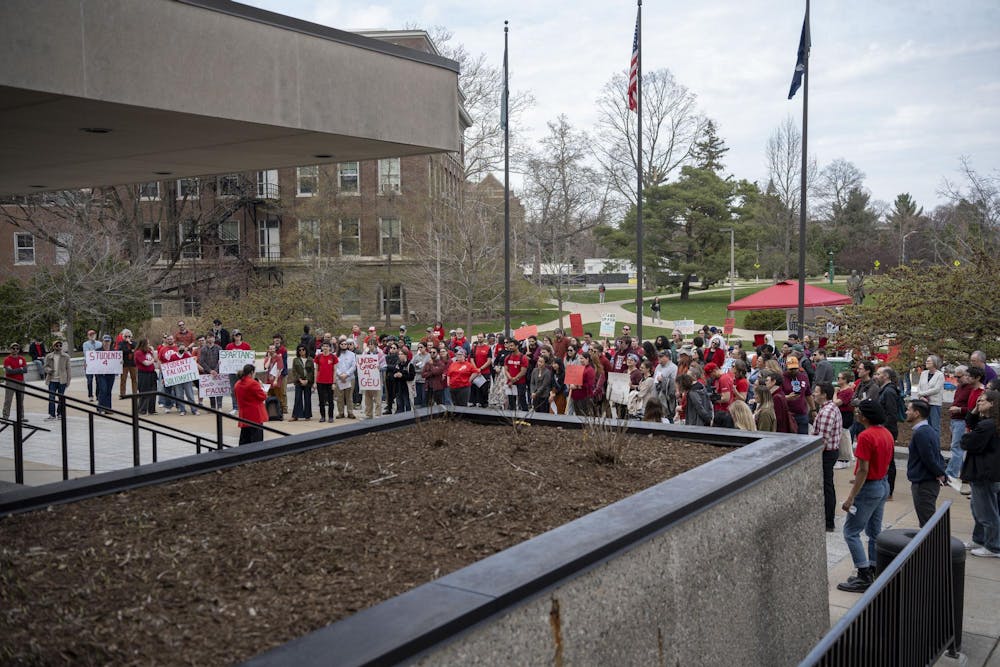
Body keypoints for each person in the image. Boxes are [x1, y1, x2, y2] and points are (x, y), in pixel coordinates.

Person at [837, 400, 894, 593]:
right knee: (874, 531)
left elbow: (863, 469)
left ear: (865, 417)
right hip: (882, 484)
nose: (856, 414)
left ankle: (863, 574)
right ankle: (873, 565)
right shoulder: (886, 433)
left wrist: (851, 497)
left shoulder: (865, 436)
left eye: (859, 411)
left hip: (869, 488)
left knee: (851, 532)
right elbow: (884, 464)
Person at [959, 390, 1000, 558]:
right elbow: (971, 423)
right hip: (987, 472)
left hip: (984, 472)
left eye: (982, 401)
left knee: (986, 511)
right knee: (978, 508)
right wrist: (975, 411)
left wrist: (967, 438)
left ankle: (993, 546)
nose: (978, 403)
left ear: (992, 404)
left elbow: (967, 442)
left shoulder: (988, 425)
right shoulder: (990, 423)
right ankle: (979, 539)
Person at [904, 399, 947, 527]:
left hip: (924, 484)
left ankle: (934, 546)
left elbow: (929, 458)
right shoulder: (928, 430)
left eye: (909, 409)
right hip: (926, 482)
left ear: (916, 413)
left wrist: (941, 474)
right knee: (927, 521)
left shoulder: (922, 433)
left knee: (928, 523)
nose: (906, 412)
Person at [812, 382, 844, 532]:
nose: (814, 393)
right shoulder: (829, 408)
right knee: (827, 486)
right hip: (830, 452)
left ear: (824, 394)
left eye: (816, 391)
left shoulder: (826, 412)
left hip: (826, 454)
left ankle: (828, 521)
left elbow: (822, 440)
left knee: (826, 487)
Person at [946, 366, 973, 481]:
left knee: (956, 447)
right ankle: (963, 473)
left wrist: (960, 410)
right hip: (955, 420)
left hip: (962, 420)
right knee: (957, 447)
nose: (956, 379)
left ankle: (951, 474)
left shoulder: (970, 389)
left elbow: (972, 408)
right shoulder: (960, 387)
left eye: (959, 376)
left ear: (967, 375)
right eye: (955, 376)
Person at [234, 363, 268, 445]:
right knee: (256, 439)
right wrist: (260, 386)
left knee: (245, 438)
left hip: (244, 415)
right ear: (252, 372)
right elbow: (263, 396)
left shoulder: (237, 383)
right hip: (255, 415)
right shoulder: (253, 383)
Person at [832, 371, 856, 469]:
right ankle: (842, 458)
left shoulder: (847, 391)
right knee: (841, 436)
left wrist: (835, 392)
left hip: (845, 415)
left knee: (843, 436)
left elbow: (836, 403)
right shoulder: (842, 390)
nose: (838, 380)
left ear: (845, 380)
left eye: (840, 378)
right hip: (840, 414)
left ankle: (844, 459)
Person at [224, 330, 252, 414]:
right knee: (234, 389)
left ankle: (244, 406)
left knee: (245, 389)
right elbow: (225, 359)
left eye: (239, 335)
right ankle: (235, 407)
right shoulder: (229, 346)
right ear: (233, 336)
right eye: (236, 335)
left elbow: (250, 358)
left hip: (243, 372)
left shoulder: (246, 346)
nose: (237, 336)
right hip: (232, 372)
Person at [43, 340, 72, 420]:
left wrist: (68, 380)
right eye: (56, 345)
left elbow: (68, 369)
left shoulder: (66, 356)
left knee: (61, 398)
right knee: (51, 397)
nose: (58, 347)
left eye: (60, 345)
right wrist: (49, 370)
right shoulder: (49, 356)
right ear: (53, 346)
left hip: (62, 380)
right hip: (52, 380)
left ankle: (60, 414)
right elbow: (45, 367)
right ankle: (52, 415)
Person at [917, 354, 945, 435]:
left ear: (934, 363)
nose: (926, 362)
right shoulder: (923, 373)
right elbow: (919, 387)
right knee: (925, 426)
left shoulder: (940, 375)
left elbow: (936, 389)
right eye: (926, 361)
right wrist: (921, 396)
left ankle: (935, 445)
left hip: (934, 404)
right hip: (923, 403)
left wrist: (922, 394)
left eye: (929, 361)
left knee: (934, 426)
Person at [3, 342, 29, 422]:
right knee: (8, 400)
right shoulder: (7, 359)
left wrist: (16, 370)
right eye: (13, 348)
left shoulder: (22, 358)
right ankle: (5, 417)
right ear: (10, 349)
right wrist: (20, 369)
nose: (15, 350)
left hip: (20, 381)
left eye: (17, 348)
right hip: (10, 382)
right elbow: (9, 372)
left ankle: (21, 417)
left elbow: (25, 370)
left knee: (20, 400)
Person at [134, 338, 158, 415]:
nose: (149, 345)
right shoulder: (138, 352)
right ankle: (142, 409)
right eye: (147, 343)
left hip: (152, 373)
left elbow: (156, 359)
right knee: (144, 391)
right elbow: (146, 363)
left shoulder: (149, 352)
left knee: (153, 391)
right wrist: (153, 360)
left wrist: (153, 351)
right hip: (143, 374)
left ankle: (151, 409)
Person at [314, 341, 337, 423]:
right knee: (321, 400)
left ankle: (330, 416)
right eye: (324, 346)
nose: (325, 348)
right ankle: (322, 416)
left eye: (327, 346)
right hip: (320, 381)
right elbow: (316, 369)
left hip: (330, 382)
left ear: (330, 348)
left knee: (330, 400)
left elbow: (334, 370)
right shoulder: (318, 357)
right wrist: (315, 382)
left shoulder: (333, 357)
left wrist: (334, 383)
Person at [290, 345, 314, 421]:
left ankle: (307, 415)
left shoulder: (310, 359)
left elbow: (312, 371)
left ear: (306, 350)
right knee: (298, 398)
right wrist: (299, 379)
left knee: (307, 398)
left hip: (308, 382)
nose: (301, 351)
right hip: (298, 381)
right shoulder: (296, 360)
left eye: (303, 349)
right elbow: (294, 371)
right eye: (299, 350)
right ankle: (295, 415)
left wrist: (307, 380)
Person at [568, 351, 596, 417]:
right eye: (580, 358)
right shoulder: (580, 368)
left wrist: (577, 386)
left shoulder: (590, 370)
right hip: (576, 396)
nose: (580, 360)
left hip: (584, 397)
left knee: (583, 415)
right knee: (578, 415)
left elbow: (589, 385)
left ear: (587, 359)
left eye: (582, 358)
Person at [94, 335, 117, 414]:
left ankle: (108, 408)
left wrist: (120, 363)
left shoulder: (114, 351)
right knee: (103, 389)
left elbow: (117, 362)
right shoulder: (97, 351)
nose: (106, 343)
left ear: (110, 342)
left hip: (110, 374)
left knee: (108, 391)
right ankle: (100, 407)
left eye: (108, 341)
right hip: (101, 374)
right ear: (102, 342)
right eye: (105, 341)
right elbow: (93, 362)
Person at [335, 339, 357, 419]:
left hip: (350, 378)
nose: (344, 345)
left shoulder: (352, 354)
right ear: (339, 345)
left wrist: (346, 374)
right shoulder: (335, 355)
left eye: (345, 344)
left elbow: (354, 366)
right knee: (340, 397)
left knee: (349, 396)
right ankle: (340, 412)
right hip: (339, 378)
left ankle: (350, 412)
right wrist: (340, 375)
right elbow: (335, 367)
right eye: (342, 344)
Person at [530, 347, 554, 413]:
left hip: (543, 396)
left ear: (545, 363)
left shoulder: (547, 372)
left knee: (543, 412)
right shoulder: (535, 370)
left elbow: (544, 386)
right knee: (536, 411)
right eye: (538, 361)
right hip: (535, 395)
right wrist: (532, 392)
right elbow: (532, 383)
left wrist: (536, 393)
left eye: (541, 362)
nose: (539, 363)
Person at [117, 329, 137, 399]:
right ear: (123, 337)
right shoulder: (121, 343)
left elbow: (135, 349)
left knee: (134, 379)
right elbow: (121, 351)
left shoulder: (134, 343)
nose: (127, 338)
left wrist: (130, 343)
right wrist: (130, 350)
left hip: (133, 363)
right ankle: (122, 394)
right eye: (126, 336)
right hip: (125, 363)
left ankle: (135, 394)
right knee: (123, 379)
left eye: (129, 336)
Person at [82, 329, 100, 401]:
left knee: (98, 380)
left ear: (95, 335)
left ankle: (98, 395)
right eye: (90, 335)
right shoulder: (85, 344)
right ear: (88, 336)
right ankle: (90, 396)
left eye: (93, 334)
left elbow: (101, 352)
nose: (92, 336)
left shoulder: (99, 343)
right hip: (88, 364)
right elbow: (87, 353)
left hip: (97, 364)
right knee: (89, 381)